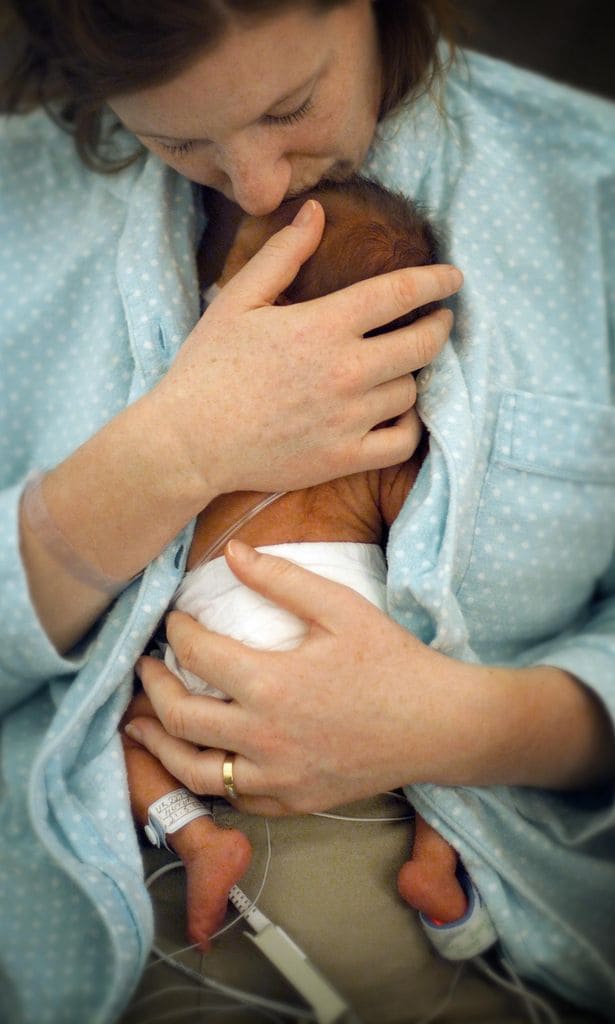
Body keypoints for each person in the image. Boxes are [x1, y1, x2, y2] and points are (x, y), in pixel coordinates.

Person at [0, 2, 613, 1023]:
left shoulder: (591, 201)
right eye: (178, 140)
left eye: (293, 106)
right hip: (88, 943)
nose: (258, 185)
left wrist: (464, 726)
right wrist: (164, 456)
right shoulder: (13, 221)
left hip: (510, 939)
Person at [123, 174, 470, 953]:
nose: (214, 286)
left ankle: (197, 837)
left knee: (123, 725)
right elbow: (427, 543)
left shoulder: (194, 407)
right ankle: (434, 859)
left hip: (211, 655)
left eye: (235, 270)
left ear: (274, 312)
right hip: (353, 649)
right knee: (443, 735)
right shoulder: (382, 438)